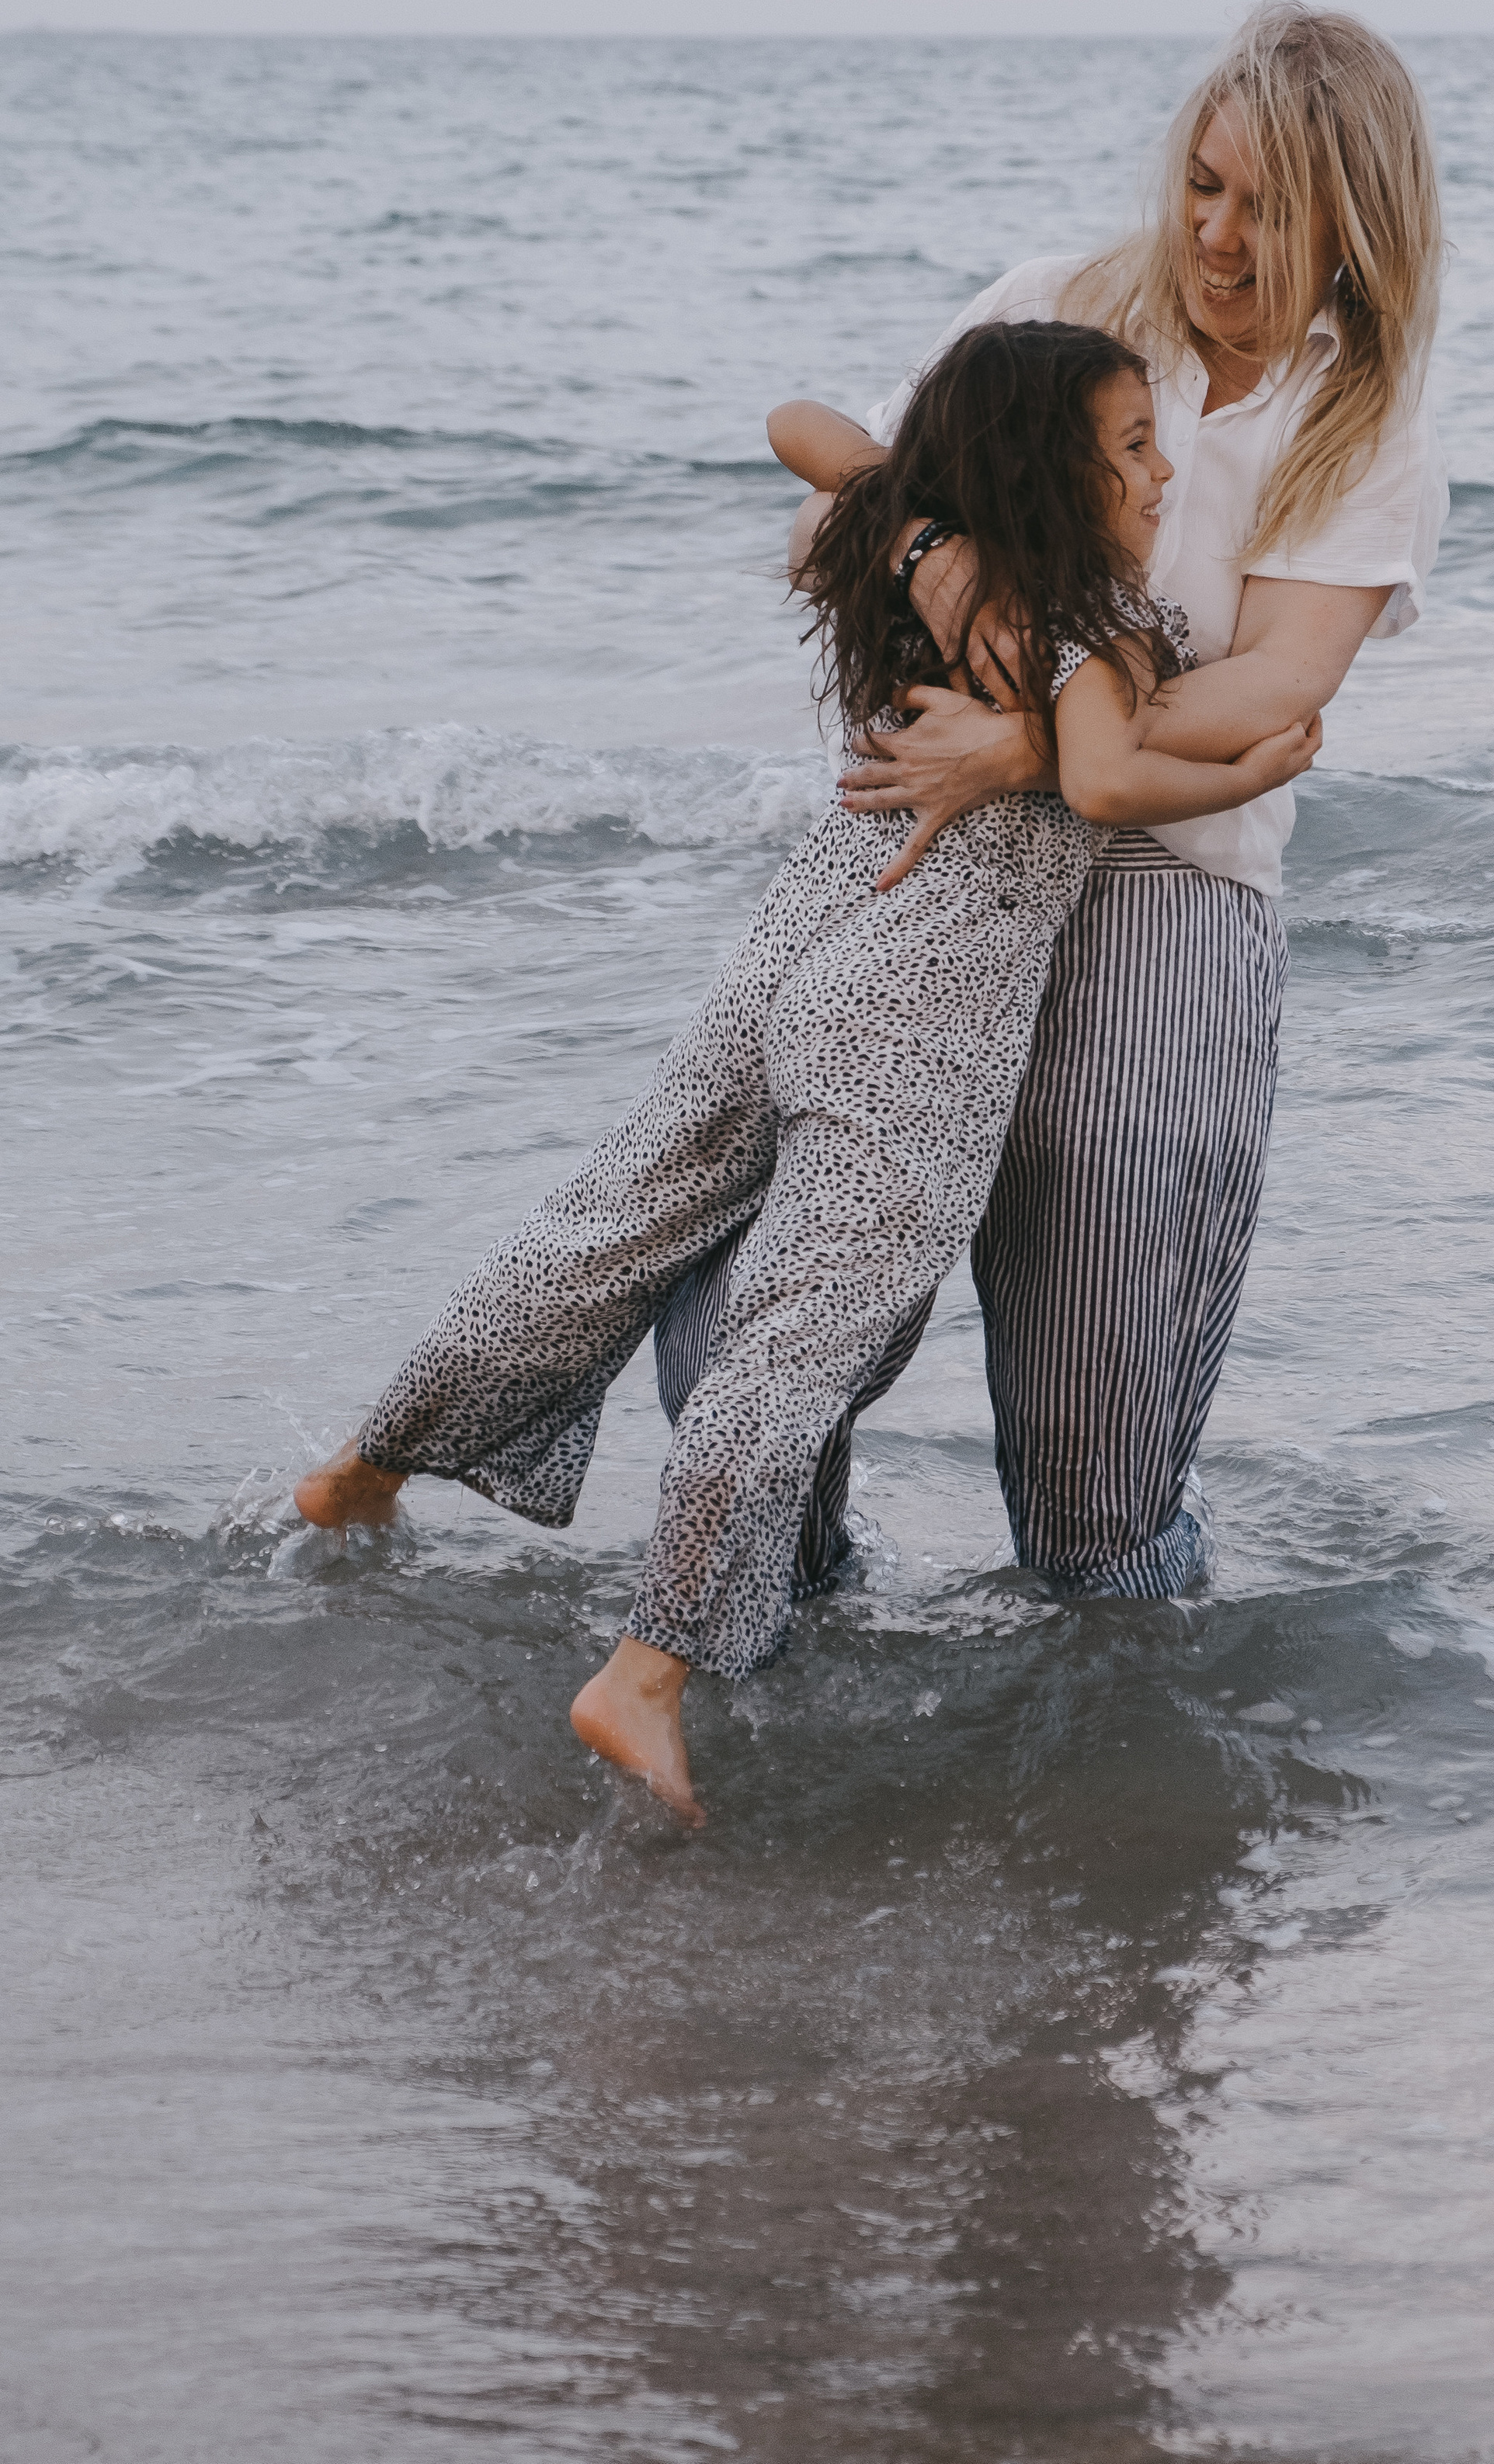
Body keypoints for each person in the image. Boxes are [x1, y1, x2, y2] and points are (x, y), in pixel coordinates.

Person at [294, 321, 1315, 1820]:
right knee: (798, 1339)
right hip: (923, 1006)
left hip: (794, 945)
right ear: (1054, 474)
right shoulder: (1089, 618)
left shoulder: (920, 566)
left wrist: (920, 528)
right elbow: (1105, 781)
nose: (1167, 474)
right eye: (1135, 451)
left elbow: (795, 418)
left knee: (611, 1227)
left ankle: (369, 1462)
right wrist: (1255, 769)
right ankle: (645, 1674)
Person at [653, 0, 1448, 1598]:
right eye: (1202, 185)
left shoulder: (1361, 425)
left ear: (1354, 221)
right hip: (929, 836)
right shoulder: (1052, 309)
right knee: (738, 1303)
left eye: (1270, 207)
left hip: (1168, 862)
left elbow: (1278, 686)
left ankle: (1116, 1737)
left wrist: (1026, 745)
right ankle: (766, 1644)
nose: (1217, 238)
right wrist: (942, 563)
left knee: (1093, 1340)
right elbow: (844, 520)